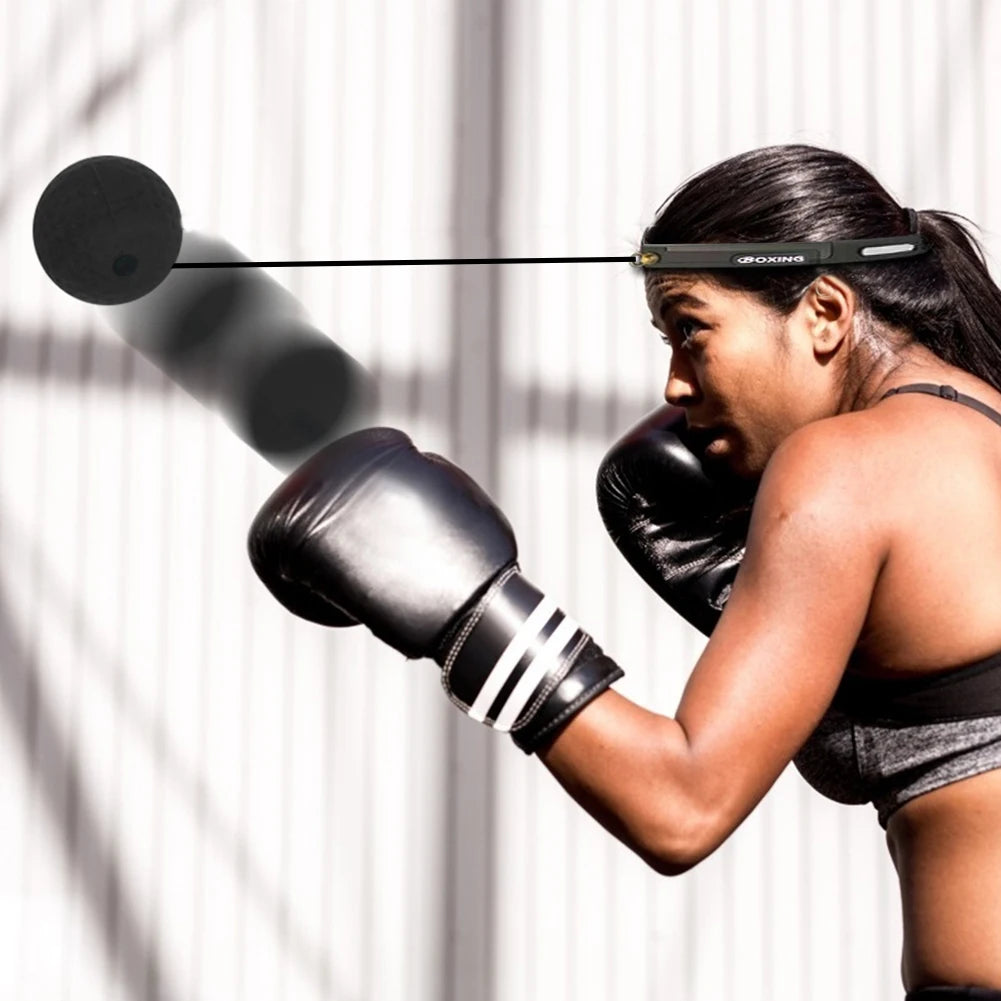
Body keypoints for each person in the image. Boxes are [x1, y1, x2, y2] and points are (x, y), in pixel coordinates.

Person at [247, 143, 1001, 1000]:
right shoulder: (975, 433)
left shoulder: (844, 468)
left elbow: (680, 805)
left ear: (823, 311)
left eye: (691, 329)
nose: (673, 382)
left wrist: (473, 615)